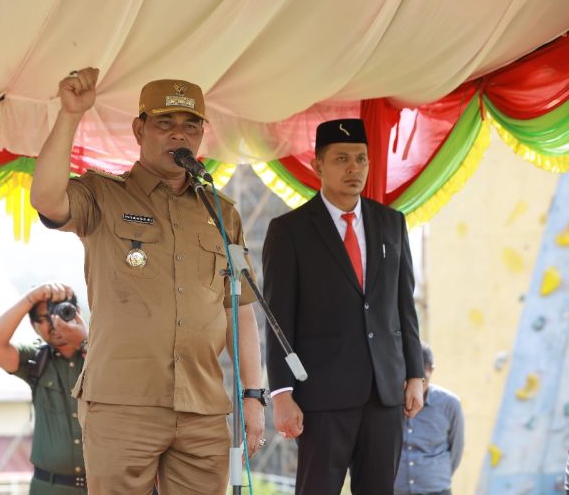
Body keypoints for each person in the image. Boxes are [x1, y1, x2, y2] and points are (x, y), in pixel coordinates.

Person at [29, 68, 265, 494]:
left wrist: (255, 394)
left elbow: (240, 308)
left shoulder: (220, 209)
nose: (180, 135)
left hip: (202, 407)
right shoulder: (103, 194)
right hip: (122, 404)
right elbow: (46, 199)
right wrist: (69, 115)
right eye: (165, 124)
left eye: (191, 126)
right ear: (139, 129)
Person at [263, 118, 425, 495]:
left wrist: (414, 373)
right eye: (341, 159)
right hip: (321, 396)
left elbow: (405, 306)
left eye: (361, 159)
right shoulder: (290, 231)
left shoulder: (391, 223)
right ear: (318, 165)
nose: (354, 168)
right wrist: (282, 393)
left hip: (385, 393)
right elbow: (278, 321)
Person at [0, 282, 89, 494]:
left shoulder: (102, 352)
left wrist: (85, 342)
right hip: (48, 487)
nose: (55, 323)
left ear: (76, 314)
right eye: (45, 318)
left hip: (102, 486)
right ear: (33, 326)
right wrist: (30, 298)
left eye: (62, 313)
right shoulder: (36, 358)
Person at [394, 343, 464, 495]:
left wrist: (432, 474)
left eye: (423, 379)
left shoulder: (450, 404)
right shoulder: (391, 403)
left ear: (431, 369)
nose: (417, 385)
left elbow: (456, 451)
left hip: (436, 490)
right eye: (411, 379)